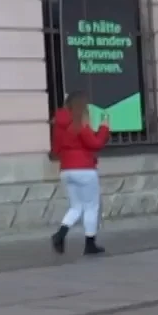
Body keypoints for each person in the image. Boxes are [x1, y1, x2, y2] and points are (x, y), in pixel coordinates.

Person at [49, 91, 111, 256]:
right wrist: (104, 128)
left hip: (66, 170)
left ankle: (60, 234)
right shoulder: (79, 123)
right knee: (91, 207)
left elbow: (55, 150)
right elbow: (95, 143)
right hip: (85, 170)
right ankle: (89, 244)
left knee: (76, 206)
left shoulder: (59, 125)